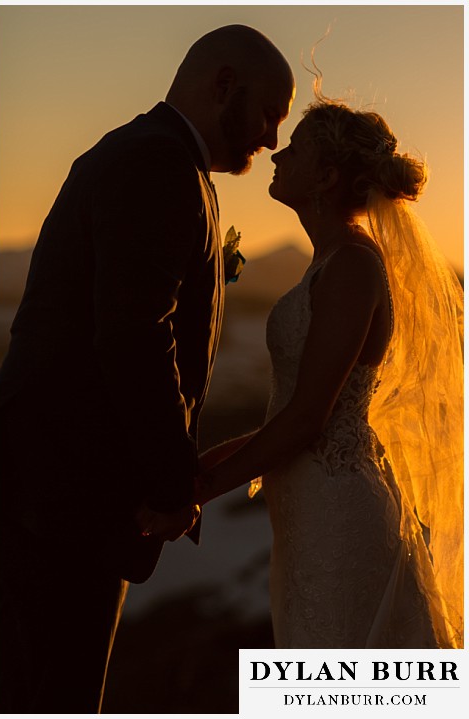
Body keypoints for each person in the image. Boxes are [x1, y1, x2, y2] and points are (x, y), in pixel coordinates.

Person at [0, 25, 295, 712]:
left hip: (61, 478)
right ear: (223, 86)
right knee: (55, 690)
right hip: (68, 483)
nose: (272, 138)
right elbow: (133, 334)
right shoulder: (156, 165)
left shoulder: (145, 156)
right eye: (269, 114)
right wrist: (170, 482)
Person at [193, 88, 463, 648]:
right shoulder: (329, 263)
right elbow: (294, 411)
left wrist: (198, 491)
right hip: (307, 509)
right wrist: (197, 472)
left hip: (339, 516)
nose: (276, 156)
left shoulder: (354, 267)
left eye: (294, 149)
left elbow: (309, 420)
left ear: (327, 177)